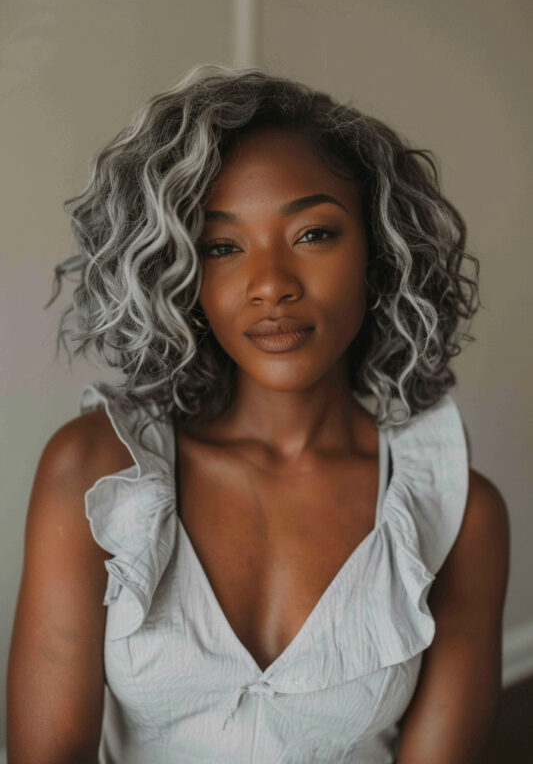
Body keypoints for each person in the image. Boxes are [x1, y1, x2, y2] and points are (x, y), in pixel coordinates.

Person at [7, 64, 509, 764]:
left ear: (378, 253)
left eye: (312, 235)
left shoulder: (455, 512)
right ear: (181, 275)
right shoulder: (96, 474)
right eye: (222, 247)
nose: (270, 284)